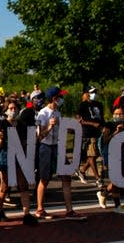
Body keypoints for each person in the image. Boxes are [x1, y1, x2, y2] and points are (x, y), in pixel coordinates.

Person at [35, 87, 86, 220]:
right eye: (60, 96)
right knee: (44, 179)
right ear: (54, 98)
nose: (62, 99)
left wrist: (74, 127)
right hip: (46, 147)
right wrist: (50, 127)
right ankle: (40, 209)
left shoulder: (57, 112)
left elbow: (61, 129)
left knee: (66, 176)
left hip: (57, 147)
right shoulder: (43, 114)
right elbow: (39, 136)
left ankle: (69, 210)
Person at [0, 100, 39, 225]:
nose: (13, 110)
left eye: (15, 108)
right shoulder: (3, 124)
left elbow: (24, 142)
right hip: (6, 157)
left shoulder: (21, 125)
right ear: (6, 111)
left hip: (19, 157)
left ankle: (27, 214)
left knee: (23, 185)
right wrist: (0, 140)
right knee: (5, 186)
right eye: (10, 108)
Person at [96, 106, 124, 214]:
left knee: (118, 181)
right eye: (116, 113)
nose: (117, 116)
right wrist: (116, 132)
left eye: (120, 114)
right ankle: (117, 205)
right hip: (111, 154)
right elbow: (105, 140)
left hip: (123, 154)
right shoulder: (109, 125)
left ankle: (103, 193)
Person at [76, 87, 104, 188]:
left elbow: (101, 118)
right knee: (92, 155)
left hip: (99, 132)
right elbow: (79, 119)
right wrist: (92, 124)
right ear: (87, 93)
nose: (94, 94)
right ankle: (98, 178)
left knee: (95, 154)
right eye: (92, 92)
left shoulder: (99, 104)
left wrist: (102, 127)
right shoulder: (83, 105)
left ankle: (82, 170)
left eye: (96, 92)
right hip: (88, 132)